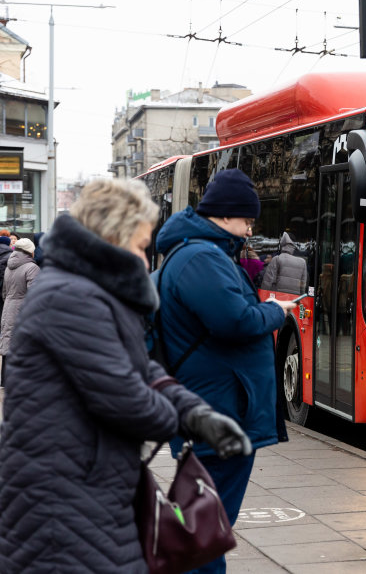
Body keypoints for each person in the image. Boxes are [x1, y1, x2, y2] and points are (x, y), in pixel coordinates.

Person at [0, 178, 251, 573]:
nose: (147, 261)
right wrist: (186, 423)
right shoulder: (71, 297)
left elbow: (140, 368)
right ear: (113, 238)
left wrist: (195, 412)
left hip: (87, 486)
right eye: (140, 247)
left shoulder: (88, 290)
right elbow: (125, 397)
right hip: (61, 498)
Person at [154, 168, 296, 574]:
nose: (251, 230)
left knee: (203, 524)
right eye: (248, 220)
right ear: (225, 214)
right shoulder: (202, 257)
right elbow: (234, 320)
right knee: (205, 531)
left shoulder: (203, 253)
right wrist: (274, 311)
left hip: (217, 405)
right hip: (219, 411)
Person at [0, 238, 38, 382]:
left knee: (8, 340)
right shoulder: (31, 268)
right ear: (30, 251)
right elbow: (35, 294)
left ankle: (5, 379)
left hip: (8, 307)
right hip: (23, 310)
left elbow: (4, 292)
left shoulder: (10, 266)